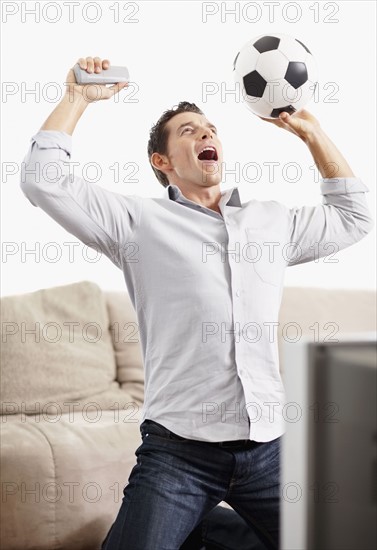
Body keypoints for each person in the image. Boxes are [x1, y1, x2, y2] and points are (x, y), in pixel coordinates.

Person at [20, 57, 373, 550]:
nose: (207, 135)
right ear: (161, 162)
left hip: (270, 450)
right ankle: (201, 525)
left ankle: (211, 530)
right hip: (179, 454)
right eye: (189, 131)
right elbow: (44, 181)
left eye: (211, 129)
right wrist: (77, 99)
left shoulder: (270, 222)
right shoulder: (137, 223)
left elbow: (354, 217)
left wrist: (312, 134)